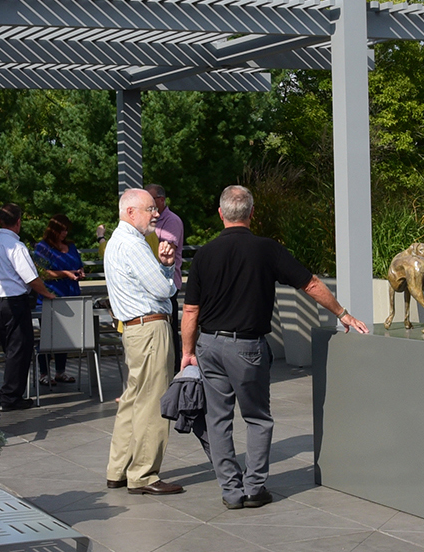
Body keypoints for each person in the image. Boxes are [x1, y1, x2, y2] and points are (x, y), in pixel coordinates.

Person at [181, 185, 370, 508]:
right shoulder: (266, 249)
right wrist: (343, 314)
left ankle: (231, 490)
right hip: (248, 347)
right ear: (252, 213)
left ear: (221, 214)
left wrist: (187, 352)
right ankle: (254, 488)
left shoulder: (205, 254)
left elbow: (191, 310)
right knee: (256, 417)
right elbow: (309, 283)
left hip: (210, 346)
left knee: (218, 419)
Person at [103, 188, 183, 495]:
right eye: (150, 209)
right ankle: (144, 475)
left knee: (134, 399)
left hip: (136, 330)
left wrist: (161, 266)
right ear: (130, 212)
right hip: (149, 329)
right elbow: (164, 290)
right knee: (152, 402)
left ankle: (119, 469)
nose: (156, 214)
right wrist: (165, 267)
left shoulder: (116, 242)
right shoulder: (133, 244)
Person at [0, 203, 55, 410]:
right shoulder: (16, 247)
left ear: (0, 221)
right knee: (20, 350)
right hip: (15, 302)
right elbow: (30, 278)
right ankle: (10, 397)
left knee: (11, 350)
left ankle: (10, 394)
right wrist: (46, 293)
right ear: (18, 222)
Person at [34, 213, 85, 386]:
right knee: (48, 336)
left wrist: (79, 272)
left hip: (71, 295)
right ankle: (43, 372)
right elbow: (40, 273)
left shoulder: (70, 246)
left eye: (66, 230)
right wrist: (65, 274)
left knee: (65, 336)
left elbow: (78, 264)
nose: (64, 233)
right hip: (50, 296)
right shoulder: (43, 248)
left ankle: (60, 371)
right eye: (61, 230)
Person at [146, 184, 186, 364]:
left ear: (161, 200)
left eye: (150, 200)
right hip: (151, 284)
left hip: (168, 283)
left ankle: (175, 369)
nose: (147, 204)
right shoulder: (146, 220)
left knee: (168, 330)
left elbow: (166, 251)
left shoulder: (172, 221)